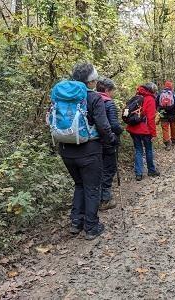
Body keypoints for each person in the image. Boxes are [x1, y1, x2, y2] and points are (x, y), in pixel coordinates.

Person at [56, 62, 116, 240]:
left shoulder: (62, 94)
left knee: (79, 185)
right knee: (92, 187)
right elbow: (103, 127)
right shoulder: (94, 98)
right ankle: (91, 226)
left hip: (66, 149)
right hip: (89, 150)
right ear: (91, 81)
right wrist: (112, 140)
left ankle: (76, 223)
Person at [96, 77, 123, 211]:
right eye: (112, 91)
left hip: (94, 142)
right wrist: (120, 130)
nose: (113, 94)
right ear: (107, 90)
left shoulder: (91, 100)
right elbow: (114, 125)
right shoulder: (108, 103)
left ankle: (96, 198)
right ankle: (105, 200)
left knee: (98, 170)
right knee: (109, 169)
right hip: (108, 141)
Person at [126, 83, 160, 181]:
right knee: (148, 149)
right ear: (151, 90)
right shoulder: (150, 99)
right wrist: (153, 133)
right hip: (145, 130)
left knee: (138, 150)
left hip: (133, 128)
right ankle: (151, 170)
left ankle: (139, 173)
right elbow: (150, 118)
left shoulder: (136, 96)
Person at [156, 81, 175, 151]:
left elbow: (156, 103)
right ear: (171, 87)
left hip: (163, 114)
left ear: (165, 86)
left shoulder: (160, 94)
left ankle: (167, 143)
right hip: (172, 114)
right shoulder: (173, 94)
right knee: (173, 127)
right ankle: (174, 140)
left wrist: (158, 111)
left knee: (165, 129)